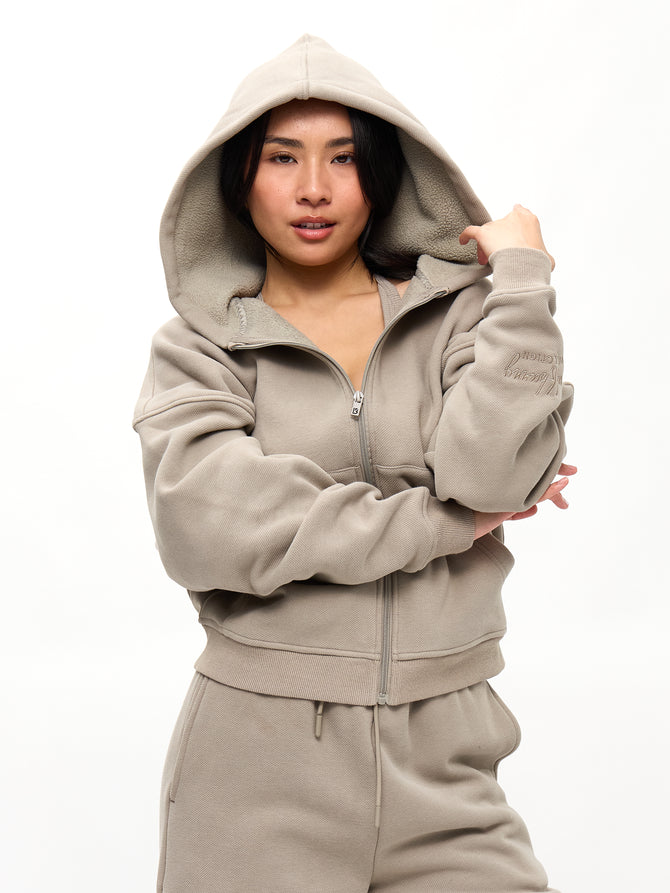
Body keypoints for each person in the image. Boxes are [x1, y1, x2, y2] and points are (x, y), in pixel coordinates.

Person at [133, 34, 575, 893]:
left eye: (343, 157)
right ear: (239, 179)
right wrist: (447, 522)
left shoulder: (457, 318)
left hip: (448, 758)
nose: (314, 187)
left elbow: (491, 475)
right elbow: (208, 527)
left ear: (382, 173)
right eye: (282, 157)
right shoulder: (200, 349)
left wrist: (522, 278)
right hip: (257, 769)